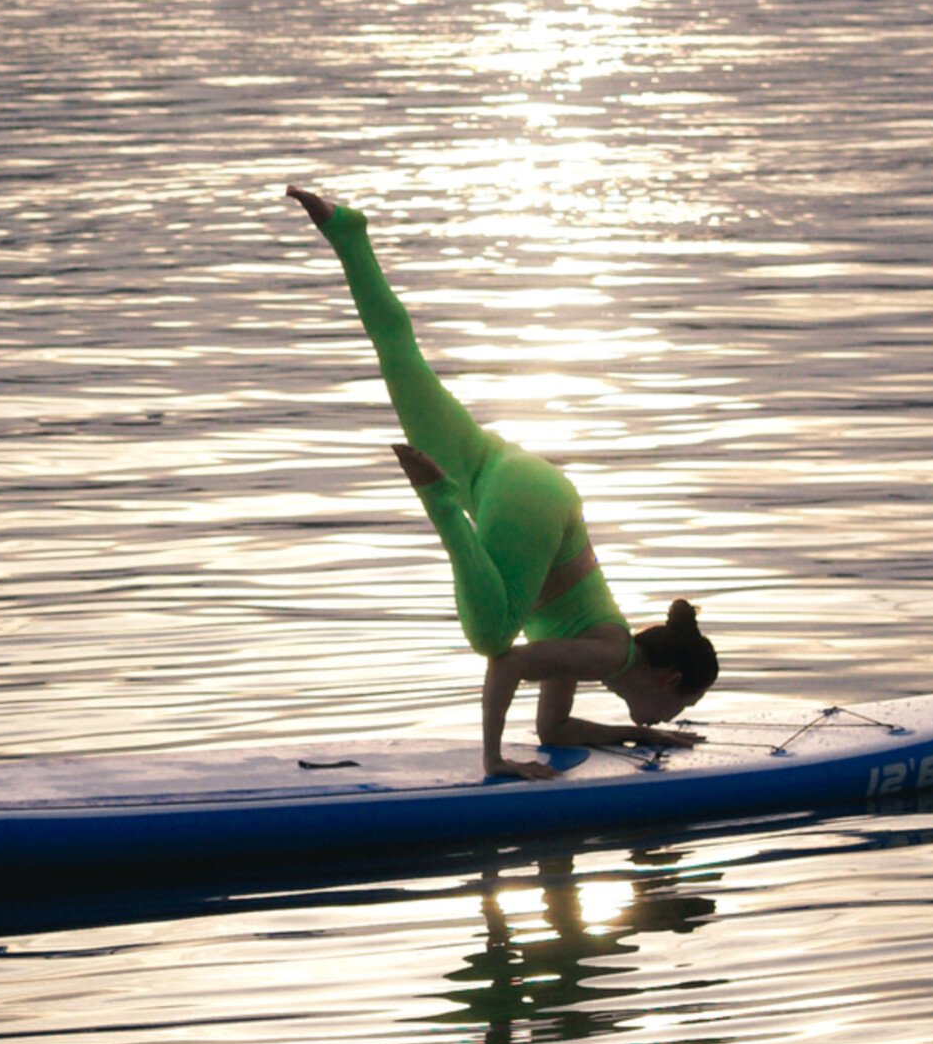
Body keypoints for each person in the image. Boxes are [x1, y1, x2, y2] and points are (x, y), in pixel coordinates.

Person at [286, 186, 718, 779]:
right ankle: (438, 501)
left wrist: (630, 736)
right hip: (527, 502)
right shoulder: (606, 652)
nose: (665, 718)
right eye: (680, 706)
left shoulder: (595, 648)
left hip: (503, 473)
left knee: (402, 361)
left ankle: (348, 236)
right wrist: (495, 762)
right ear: (670, 681)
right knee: (492, 635)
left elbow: (553, 730)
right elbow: (508, 666)